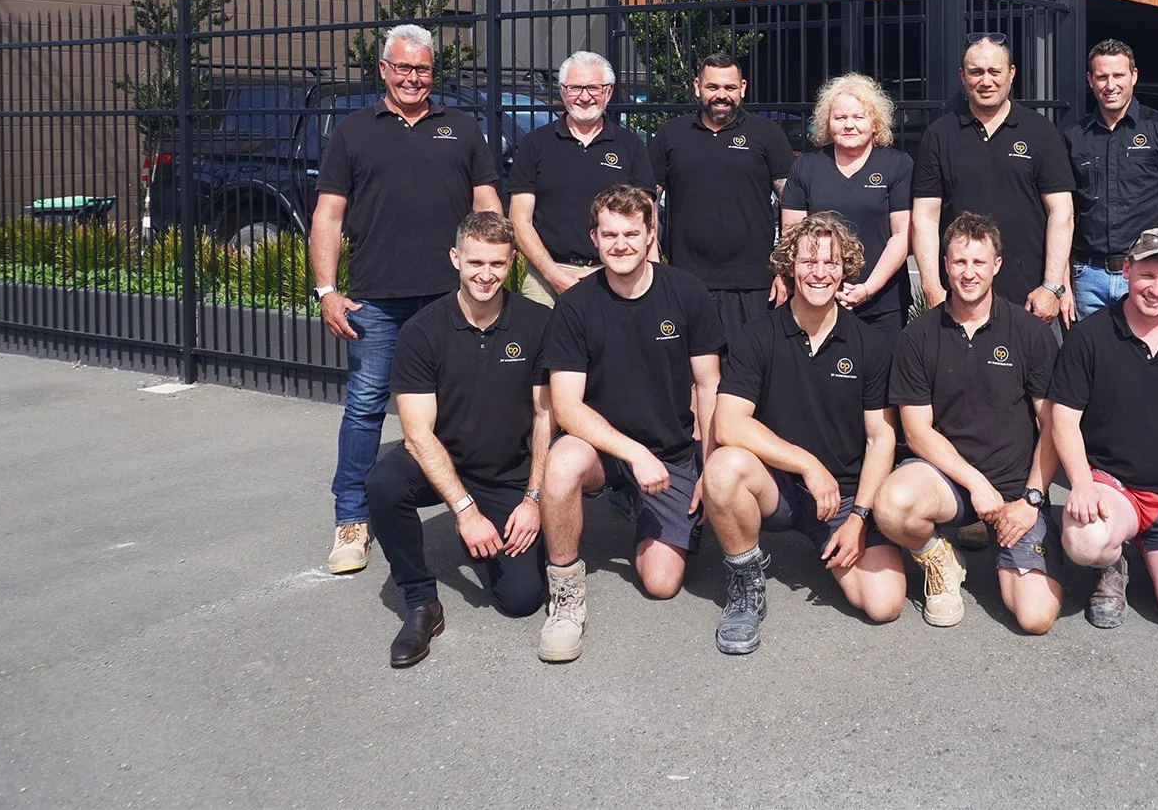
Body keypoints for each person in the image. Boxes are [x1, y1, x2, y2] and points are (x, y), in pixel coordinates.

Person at [310, 23, 501, 575]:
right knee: (366, 405)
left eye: (422, 68)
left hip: (452, 297)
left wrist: (494, 270)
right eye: (402, 67)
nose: (412, 77)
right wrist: (327, 290)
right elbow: (328, 215)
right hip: (376, 298)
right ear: (383, 70)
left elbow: (487, 203)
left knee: (464, 403)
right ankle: (352, 519)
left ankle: (470, 504)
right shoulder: (352, 132)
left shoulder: (460, 127)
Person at [536, 185, 725, 662]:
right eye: (609, 235)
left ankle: (648, 511)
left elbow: (709, 387)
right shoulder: (575, 305)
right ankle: (565, 597)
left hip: (670, 449)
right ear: (594, 238)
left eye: (631, 234)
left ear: (650, 235)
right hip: (602, 449)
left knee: (661, 583)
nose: (620, 244)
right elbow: (566, 408)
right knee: (561, 465)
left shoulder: (687, 292)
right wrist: (633, 453)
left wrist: (710, 469)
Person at [701, 215, 906, 654]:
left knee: (885, 603)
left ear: (845, 269)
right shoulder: (756, 336)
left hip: (843, 497)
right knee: (722, 467)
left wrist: (860, 518)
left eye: (831, 263)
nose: (820, 272)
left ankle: (839, 538)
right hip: (778, 486)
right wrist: (807, 464)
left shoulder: (870, 344)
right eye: (809, 261)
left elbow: (880, 438)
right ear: (789, 266)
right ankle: (745, 582)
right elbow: (729, 423)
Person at [364, 212, 553, 667]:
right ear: (455, 259)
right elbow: (416, 435)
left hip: (508, 473)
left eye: (497, 263)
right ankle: (421, 603)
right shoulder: (422, 331)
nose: (486, 274)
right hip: (444, 462)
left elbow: (546, 416)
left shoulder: (538, 322)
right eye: (475, 262)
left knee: (521, 600)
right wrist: (465, 512)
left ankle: (494, 529)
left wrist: (533, 499)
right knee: (383, 483)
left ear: (512, 262)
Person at [874, 213, 1064, 633]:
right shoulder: (918, 336)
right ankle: (941, 559)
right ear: (945, 264)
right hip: (951, 482)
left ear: (997, 265)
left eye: (979, 262)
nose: (969, 273)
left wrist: (1031, 500)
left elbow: (1053, 426)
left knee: (1035, 617)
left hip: (1016, 491)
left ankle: (1016, 545)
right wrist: (976, 483)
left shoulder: (1029, 333)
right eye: (959, 262)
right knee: (891, 505)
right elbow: (916, 431)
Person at [1049, 229, 1158, 634]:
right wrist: (1081, 483)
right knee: (1085, 541)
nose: (1156, 289)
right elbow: (1064, 417)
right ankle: (1111, 561)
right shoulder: (1090, 336)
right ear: (1127, 270)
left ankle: (1152, 546)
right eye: (1147, 275)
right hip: (1113, 487)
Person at [913, 33, 1076, 322]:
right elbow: (925, 217)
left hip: (1030, 300)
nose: (985, 81)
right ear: (962, 76)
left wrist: (1051, 286)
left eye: (994, 71)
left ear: (1011, 73)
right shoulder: (938, 136)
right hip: (959, 298)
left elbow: (1061, 212)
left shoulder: (1041, 132)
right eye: (976, 72)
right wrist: (932, 287)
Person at [650, 52, 794, 346]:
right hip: (686, 280)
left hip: (755, 284)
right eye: (712, 87)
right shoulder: (671, 134)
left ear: (743, 88)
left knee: (750, 365)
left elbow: (791, 205)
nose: (721, 95)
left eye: (729, 87)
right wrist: (654, 266)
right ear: (697, 87)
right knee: (691, 366)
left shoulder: (767, 134)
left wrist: (785, 270)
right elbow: (644, 204)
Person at [1062, 39, 1158, 322]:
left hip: (1143, 272)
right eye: (1102, 77)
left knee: (1145, 349)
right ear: (1090, 80)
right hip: (1087, 278)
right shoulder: (1074, 137)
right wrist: (1062, 284)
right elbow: (1064, 214)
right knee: (1092, 350)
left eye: (1118, 75)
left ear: (1134, 76)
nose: (1110, 85)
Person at [508, 51, 655, 305]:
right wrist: (554, 275)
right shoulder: (535, 144)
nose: (584, 97)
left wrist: (652, 277)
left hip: (616, 272)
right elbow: (519, 220)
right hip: (547, 275)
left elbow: (646, 219)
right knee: (538, 331)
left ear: (608, 92)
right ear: (562, 91)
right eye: (575, 88)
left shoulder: (630, 146)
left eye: (593, 88)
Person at [780, 74, 914, 338]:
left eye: (858, 117)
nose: (849, 125)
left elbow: (902, 234)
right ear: (827, 123)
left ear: (874, 122)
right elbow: (792, 235)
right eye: (840, 118)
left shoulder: (898, 165)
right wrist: (820, 286)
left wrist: (868, 288)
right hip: (818, 300)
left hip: (883, 304)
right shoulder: (805, 167)